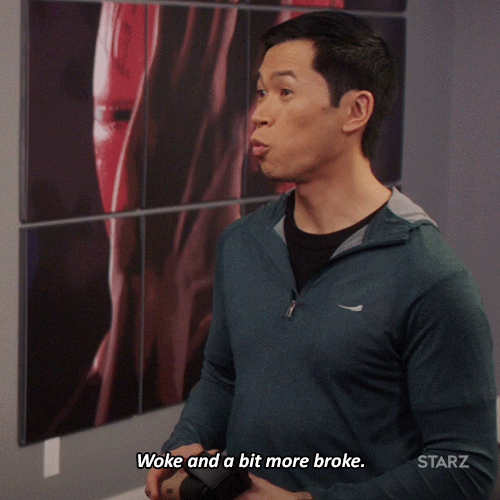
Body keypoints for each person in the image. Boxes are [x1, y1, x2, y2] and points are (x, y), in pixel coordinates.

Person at [144, 10, 497, 500]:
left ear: (355, 111)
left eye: (285, 92)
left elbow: (465, 465)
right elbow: (223, 377)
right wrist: (187, 443)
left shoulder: (430, 278)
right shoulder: (241, 245)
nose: (259, 114)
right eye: (261, 92)